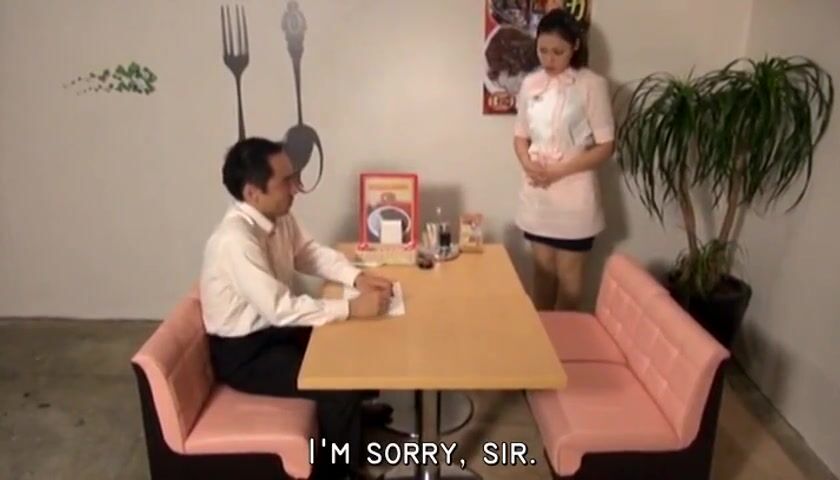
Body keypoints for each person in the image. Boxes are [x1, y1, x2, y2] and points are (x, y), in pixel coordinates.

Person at [199, 137, 393, 479]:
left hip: (275, 331)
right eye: (286, 181)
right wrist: (351, 308)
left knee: (352, 343)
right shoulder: (235, 240)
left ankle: (354, 419)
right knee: (336, 380)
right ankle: (337, 472)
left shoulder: (277, 216)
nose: (296, 188)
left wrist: (357, 278)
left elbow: (309, 254)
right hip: (246, 353)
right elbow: (280, 308)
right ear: (252, 193)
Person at [512, 9, 615, 311]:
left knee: (570, 283)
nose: (549, 59)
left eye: (558, 52)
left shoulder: (592, 84)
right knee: (542, 276)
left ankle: (567, 341)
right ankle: (540, 338)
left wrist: (559, 171)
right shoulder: (530, 83)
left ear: (575, 47)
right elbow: (520, 136)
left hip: (574, 197)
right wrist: (527, 163)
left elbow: (606, 146)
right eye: (542, 50)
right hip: (538, 195)